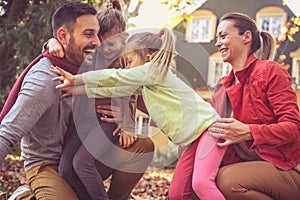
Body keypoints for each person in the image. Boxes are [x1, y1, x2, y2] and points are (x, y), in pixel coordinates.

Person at [51, 27, 226, 199]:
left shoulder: (155, 70)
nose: (128, 68)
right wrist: (77, 90)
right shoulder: (147, 84)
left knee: (202, 183)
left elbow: (117, 77)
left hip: (209, 129)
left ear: (148, 58)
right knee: (177, 194)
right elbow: (114, 88)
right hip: (193, 139)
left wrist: (77, 78)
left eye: (130, 61)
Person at [47, 1, 154, 199]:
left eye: (113, 44)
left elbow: (130, 94)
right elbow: (67, 46)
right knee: (66, 169)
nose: (107, 49)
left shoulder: (125, 60)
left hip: (108, 122)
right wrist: (50, 42)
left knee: (81, 164)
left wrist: (127, 123)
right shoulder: (89, 55)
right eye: (102, 43)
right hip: (86, 124)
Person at [0, 2, 100, 200]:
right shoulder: (44, 81)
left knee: (138, 145)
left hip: (77, 159)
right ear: (63, 36)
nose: (97, 42)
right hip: (46, 165)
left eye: (97, 34)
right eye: (89, 34)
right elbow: (6, 133)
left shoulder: (86, 69)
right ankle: (24, 197)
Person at [210, 12, 300, 200]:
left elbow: (294, 128)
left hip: (285, 167)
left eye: (223, 36)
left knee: (228, 182)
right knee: (198, 184)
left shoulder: (270, 71)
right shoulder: (220, 87)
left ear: (247, 37)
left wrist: (250, 132)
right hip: (243, 166)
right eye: (217, 38)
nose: (217, 43)